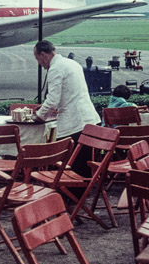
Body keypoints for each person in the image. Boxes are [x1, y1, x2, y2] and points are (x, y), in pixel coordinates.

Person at [32, 40, 100, 175]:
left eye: (38, 59)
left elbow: (52, 100)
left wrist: (39, 116)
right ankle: (80, 193)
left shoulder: (55, 68)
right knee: (84, 165)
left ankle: (71, 194)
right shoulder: (71, 63)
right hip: (89, 117)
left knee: (72, 166)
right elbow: (70, 93)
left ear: (44, 54)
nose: (39, 63)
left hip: (74, 122)